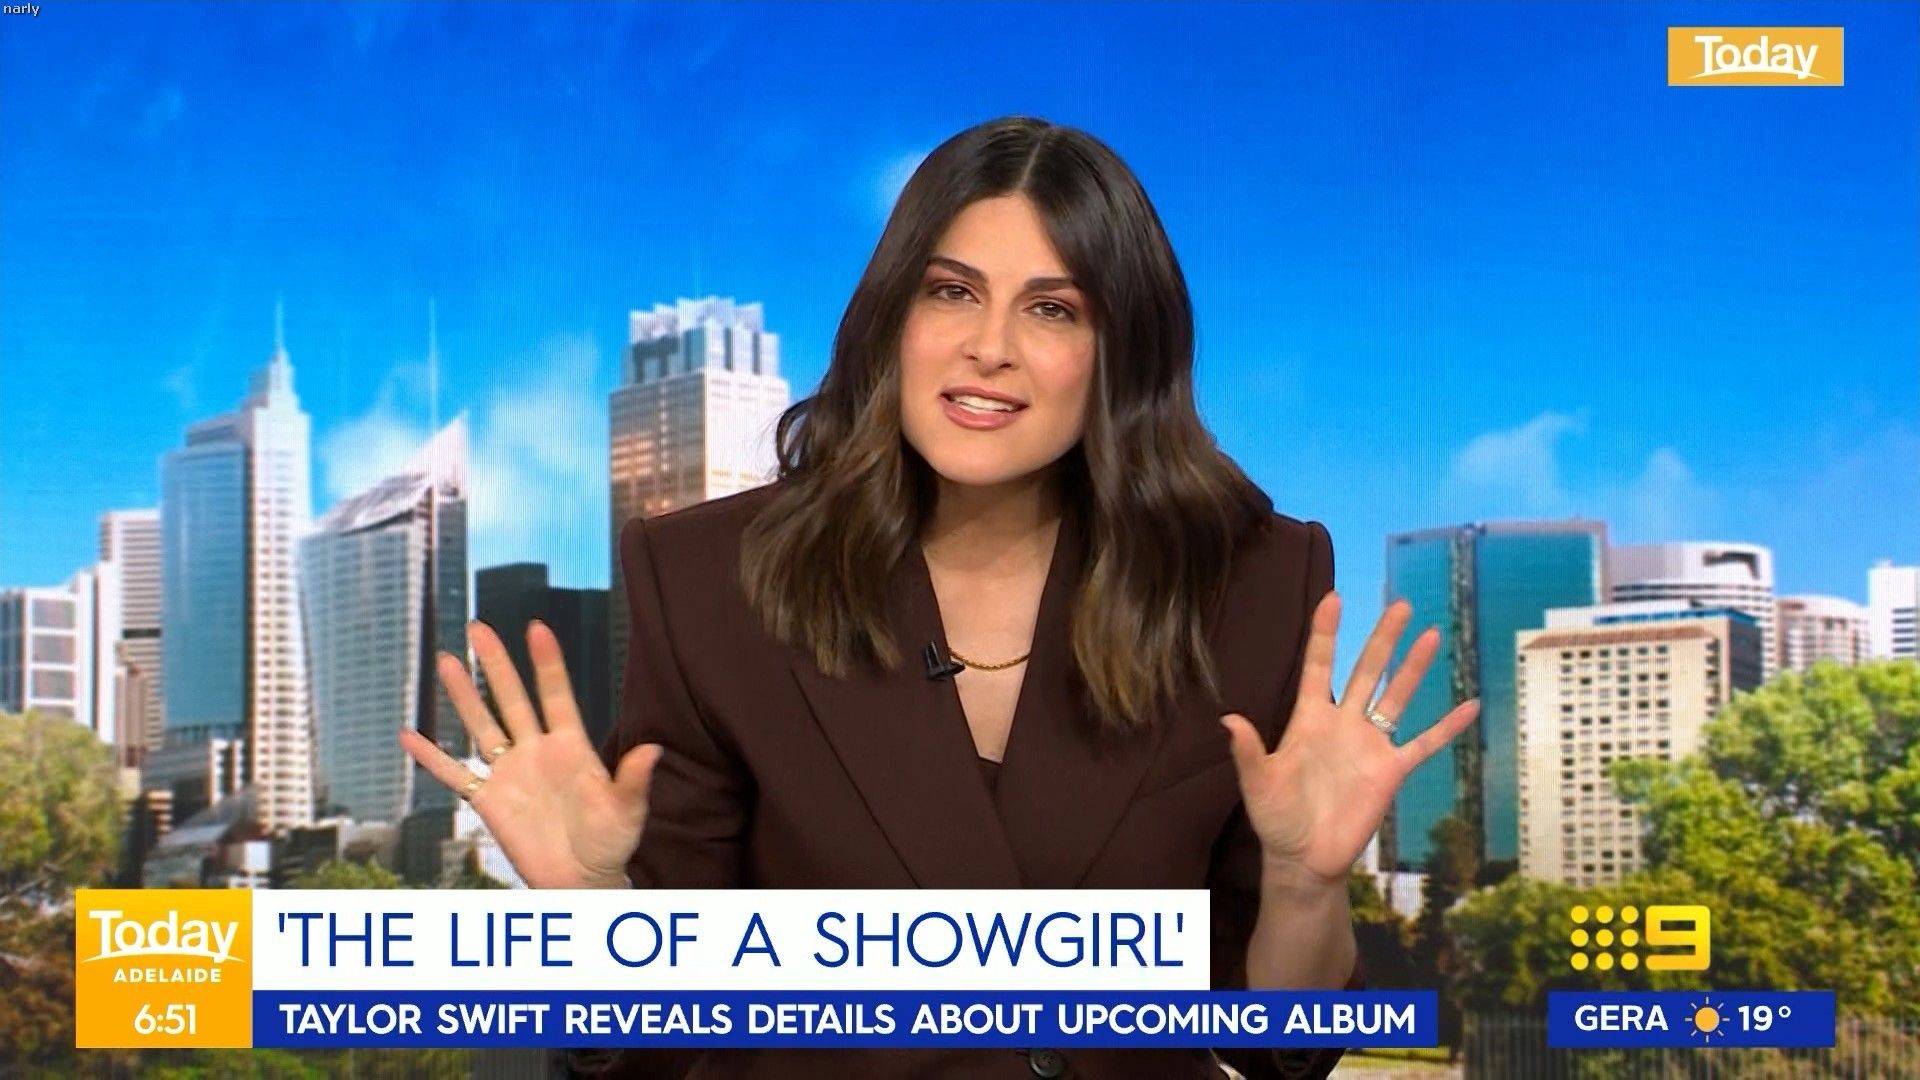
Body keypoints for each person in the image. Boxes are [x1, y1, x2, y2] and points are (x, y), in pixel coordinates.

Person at [400, 115, 1480, 1080]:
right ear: (893, 317)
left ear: (1120, 354)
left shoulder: (1249, 583)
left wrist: (1304, 883)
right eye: (952, 291)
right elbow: (657, 1045)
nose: (988, 348)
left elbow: (1279, 1045)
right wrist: (590, 909)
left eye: (1052, 309)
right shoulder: (712, 581)